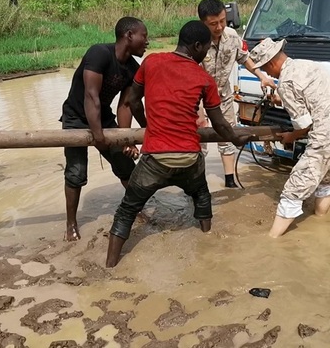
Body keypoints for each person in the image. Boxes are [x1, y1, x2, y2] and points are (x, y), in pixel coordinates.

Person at [105, 21, 253, 267]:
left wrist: (147, 125)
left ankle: (109, 266)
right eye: (206, 49)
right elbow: (220, 125)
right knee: (202, 196)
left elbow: (131, 100)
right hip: (189, 159)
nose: (206, 54)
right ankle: (208, 241)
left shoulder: (151, 62)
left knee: (126, 210)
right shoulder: (204, 78)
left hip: (155, 160)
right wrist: (238, 139)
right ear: (196, 46)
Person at [248, 38, 330, 238]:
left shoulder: (285, 82)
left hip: (328, 138)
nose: (267, 74)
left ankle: (271, 241)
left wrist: (290, 136)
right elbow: (311, 96)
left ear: (271, 63)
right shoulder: (306, 64)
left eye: (266, 70)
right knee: (326, 183)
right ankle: (320, 224)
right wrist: (281, 99)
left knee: (293, 189)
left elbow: (304, 125)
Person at [60, 17, 149, 242]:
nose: (146, 42)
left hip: (104, 118)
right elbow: (91, 96)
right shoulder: (99, 54)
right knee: (76, 172)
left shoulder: (132, 68)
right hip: (75, 118)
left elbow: (127, 104)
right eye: (144, 36)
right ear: (129, 35)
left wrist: (127, 138)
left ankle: (135, 209)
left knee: (126, 166)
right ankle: (71, 223)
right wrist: (98, 137)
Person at [196, 0, 276, 188]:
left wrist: (261, 76)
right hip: (197, 99)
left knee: (228, 135)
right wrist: (197, 109)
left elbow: (244, 58)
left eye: (222, 21)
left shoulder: (232, 36)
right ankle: (196, 183)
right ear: (203, 23)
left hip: (222, 96)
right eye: (213, 24)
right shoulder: (196, 40)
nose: (219, 27)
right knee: (198, 141)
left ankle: (230, 179)